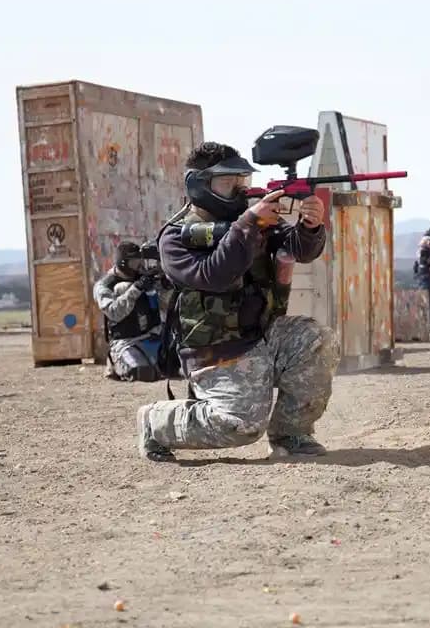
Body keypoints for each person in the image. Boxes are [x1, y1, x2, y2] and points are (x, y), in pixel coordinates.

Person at [135, 141, 340, 463]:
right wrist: (248, 225)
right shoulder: (175, 238)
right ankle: (156, 422)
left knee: (315, 339)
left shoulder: (252, 221)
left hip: (262, 334)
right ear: (199, 184)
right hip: (216, 350)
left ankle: (290, 435)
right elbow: (213, 275)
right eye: (228, 182)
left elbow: (297, 250)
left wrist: (310, 227)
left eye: (242, 180)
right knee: (240, 427)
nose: (240, 189)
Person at [93, 241, 166, 382]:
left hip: (153, 336)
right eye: (134, 263)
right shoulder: (105, 286)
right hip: (126, 341)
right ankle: (115, 362)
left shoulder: (144, 277)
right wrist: (136, 289)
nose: (139, 267)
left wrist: (163, 283)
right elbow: (114, 313)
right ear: (123, 263)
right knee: (142, 373)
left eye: (140, 262)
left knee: (179, 367)